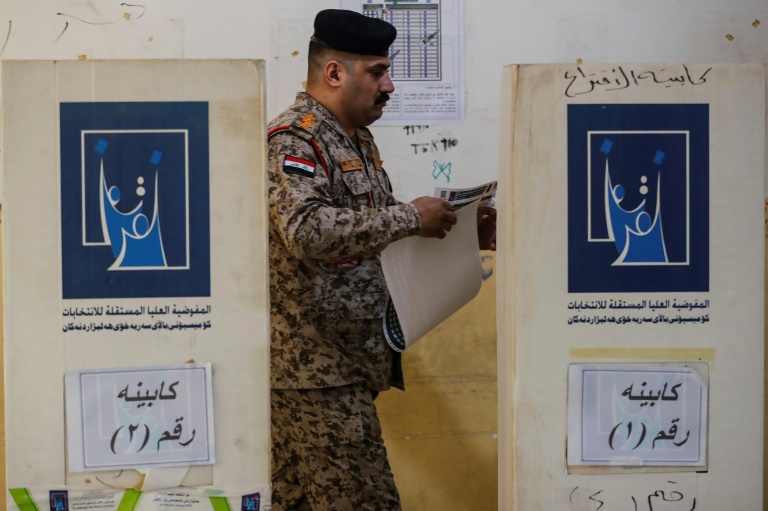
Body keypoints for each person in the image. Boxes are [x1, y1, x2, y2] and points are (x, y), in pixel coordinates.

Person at [267, 9, 496, 511]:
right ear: (334, 73)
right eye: (377, 71)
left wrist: (452, 227)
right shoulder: (296, 138)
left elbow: (369, 225)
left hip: (346, 365)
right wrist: (411, 219)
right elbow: (306, 230)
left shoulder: (355, 138)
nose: (389, 85)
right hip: (316, 372)